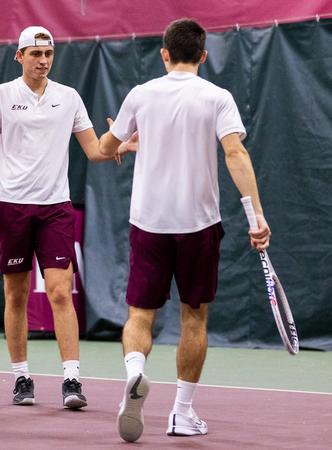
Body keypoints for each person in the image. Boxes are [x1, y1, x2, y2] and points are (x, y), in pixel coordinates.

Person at [98, 18, 271, 442]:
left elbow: (104, 147)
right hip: (198, 227)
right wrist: (256, 216)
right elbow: (235, 153)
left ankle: (134, 378)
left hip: (149, 224)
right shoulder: (218, 97)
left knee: (140, 314)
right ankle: (181, 413)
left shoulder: (141, 95)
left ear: (164, 53)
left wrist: (122, 142)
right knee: (194, 318)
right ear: (203, 56)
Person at [0, 26, 134, 409]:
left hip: (56, 208)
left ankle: (71, 380)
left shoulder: (69, 98)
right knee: (16, 295)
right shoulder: (1, 96)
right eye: (35, 54)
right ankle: (21, 378)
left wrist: (123, 146)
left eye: (49, 54)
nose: (43, 60)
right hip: (12, 207)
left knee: (60, 292)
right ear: (19, 56)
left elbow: (93, 150)